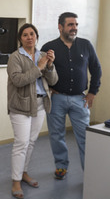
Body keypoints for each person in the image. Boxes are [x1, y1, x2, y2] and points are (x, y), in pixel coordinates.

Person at [41, 12, 102, 179]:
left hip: (79, 99)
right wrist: (48, 88)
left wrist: (92, 92)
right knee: (57, 135)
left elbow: (96, 69)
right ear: (60, 27)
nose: (74, 28)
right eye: (70, 25)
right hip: (56, 99)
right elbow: (40, 73)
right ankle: (61, 166)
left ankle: (89, 173)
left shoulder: (86, 45)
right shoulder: (48, 47)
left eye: (76, 24)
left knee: (85, 138)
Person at [7, 23, 58, 199]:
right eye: (25, 35)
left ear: (36, 36)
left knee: (31, 142)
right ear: (20, 39)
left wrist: (49, 65)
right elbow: (18, 80)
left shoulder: (42, 55)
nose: (29, 37)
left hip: (41, 103)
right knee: (21, 143)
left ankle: (23, 173)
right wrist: (39, 68)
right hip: (21, 106)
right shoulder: (15, 57)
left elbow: (53, 80)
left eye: (32, 34)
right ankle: (15, 181)